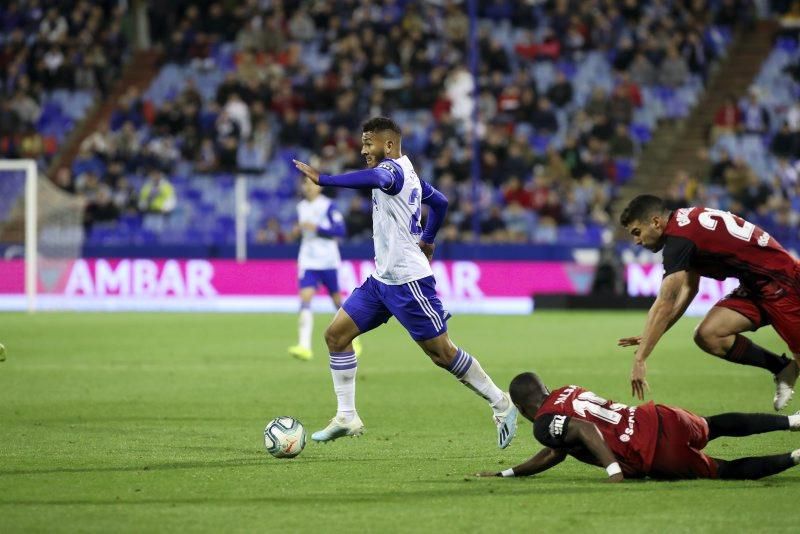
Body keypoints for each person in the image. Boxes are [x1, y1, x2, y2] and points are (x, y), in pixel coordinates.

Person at [293, 117, 517, 448]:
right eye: (363, 142)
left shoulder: (392, 172)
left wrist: (324, 179)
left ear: (388, 145)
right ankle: (346, 415)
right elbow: (439, 202)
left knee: (442, 354)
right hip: (382, 280)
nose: (363, 149)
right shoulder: (408, 173)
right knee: (335, 336)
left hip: (408, 281)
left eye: (369, 143)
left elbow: (377, 178)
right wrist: (428, 238)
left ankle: (502, 403)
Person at [618, 195, 800, 409]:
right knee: (708, 334)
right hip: (756, 286)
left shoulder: (679, 239)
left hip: (782, 283)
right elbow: (690, 288)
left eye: (637, 233)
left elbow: (665, 301)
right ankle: (781, 367)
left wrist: (640, 359)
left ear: (656, 222)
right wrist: (653, 333)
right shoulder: (684, 226)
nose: (637, 241)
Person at [476, 372, 800, 481]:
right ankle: (792, 421)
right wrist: (507, 473)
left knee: (723, 470)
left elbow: (583, 432)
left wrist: (613, 469)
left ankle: (795, 457)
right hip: (662, 416)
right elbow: (555, 453)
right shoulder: (564, 392)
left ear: (521, 407)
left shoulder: (544, 423)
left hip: (655, 451)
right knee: (715, 425)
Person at [287, 178, 361, 361]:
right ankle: (304, 346)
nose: (308, 187)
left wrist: (317, 228)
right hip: (308, 260)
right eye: (305, 184)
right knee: (305, 300)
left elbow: (340, 231)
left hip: (328, 260)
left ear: (319, 188)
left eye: (312, 184)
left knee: (337, 302)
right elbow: (303, 232)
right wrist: (297, 232)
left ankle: (354, 338)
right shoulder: (301, 207)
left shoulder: (328, 206)